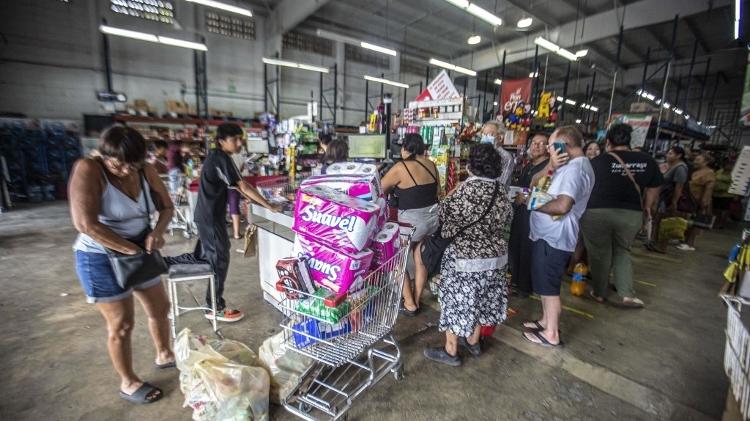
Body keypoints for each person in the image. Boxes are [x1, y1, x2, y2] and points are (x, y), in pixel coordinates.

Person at [69, 125, 175, 404]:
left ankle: (164, 353)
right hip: (100, 257)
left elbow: (167, 208)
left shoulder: (145, 170)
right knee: (122, 323)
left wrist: (157, 232)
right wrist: (129, 248)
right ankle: (128, 382)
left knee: (160, 308)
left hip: (140, 248)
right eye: (118, 165)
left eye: (133, 165)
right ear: (104, 156)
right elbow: (85, 224)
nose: (126, 171)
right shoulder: (89, 169)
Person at [165, 123, 281, 322]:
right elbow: (242, 185)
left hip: (208, 216)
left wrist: (245, 195)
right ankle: (214, 307)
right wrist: (269, 205)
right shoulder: (220, 157)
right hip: (210, 218)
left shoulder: (218, 157)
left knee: (205, 256)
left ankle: (163, 263)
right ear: (222, 141)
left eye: (240, 138)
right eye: (235, 139)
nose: (239, 142)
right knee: (219, 259)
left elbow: (234, 186)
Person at [423, 143, 512, 366]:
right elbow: (507, 219)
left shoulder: (467, 190)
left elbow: (441, 217)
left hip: (465, 259)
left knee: (455, 302)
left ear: (472, 165)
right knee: (482, 300)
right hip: (495, 258)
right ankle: (473, 341)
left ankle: (451, 350)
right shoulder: (501, 190)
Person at [523, 126, 594, 347]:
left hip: (555, 236)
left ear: (564, 145)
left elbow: (563, 206)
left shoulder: (576, 170)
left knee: (550, 286)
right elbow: (536, 182)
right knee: (545, 282)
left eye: (552, 146)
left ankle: (551, 333)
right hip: (547, 235)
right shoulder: (569, 165)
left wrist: (532, 205)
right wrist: (551, 166)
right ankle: (545, 321)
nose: (548, 150)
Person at [580, 124, 663, 307]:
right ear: (629, 141)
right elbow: (656, 184)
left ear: (608, 142)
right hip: (631, 213)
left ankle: (599, 292)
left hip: (596, 212)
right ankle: (627, 294)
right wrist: (648, 206)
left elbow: (583, 187)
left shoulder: (597, 161)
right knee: (622, 251)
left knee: (600, 253)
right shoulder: (646, 161)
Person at [381, 133, 439, 315]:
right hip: (431, 220)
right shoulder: (431, 165)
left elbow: (380, 188)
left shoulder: (400, 167)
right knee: (419, 258)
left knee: (397, 260)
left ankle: (409, 304)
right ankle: (417, 298)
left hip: (412, 223)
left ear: (405, 149)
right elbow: (438, 191)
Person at [508, 132, 549, 297]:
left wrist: (525, 200)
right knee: (515, 246)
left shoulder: (547, 168)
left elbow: (543, 196)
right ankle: (517, 282)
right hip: (521, 212)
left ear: (548, 148)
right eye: (534, 143)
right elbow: (524, 189)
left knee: (527, 250)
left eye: (541, 143)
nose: (536, 146)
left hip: (534, 215)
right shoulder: (529, 166)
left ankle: (525, 287)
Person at [647, 145, 689, 253]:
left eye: (671, 153)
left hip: (668, 199)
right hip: (662, 197)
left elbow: (679, 187)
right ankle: (654, 242)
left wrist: (674, 202)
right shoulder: (670, 166)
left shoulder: (680, 168)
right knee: (658, 220)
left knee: (665, 223)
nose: (667, 155)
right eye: (668, 153)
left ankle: (662, 246)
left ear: (679, 155)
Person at [678, 153, 716, 251]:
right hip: (690, 199)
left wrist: (704, 202)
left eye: (698, 160)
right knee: (689, 222)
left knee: (696, 223)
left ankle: (690, 243)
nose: (695, 161)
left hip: (699, 201)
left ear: (706, 162)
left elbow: (709, 188)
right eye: (695, 159)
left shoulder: (709, 173)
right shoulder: (697, 171)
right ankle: (684, 240)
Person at [479, 120, 515, 187]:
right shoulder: (480, 154)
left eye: (490, 134)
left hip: (496, 195)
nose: (485, 137)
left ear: (500, 138)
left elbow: (501, 183)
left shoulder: (506, 157)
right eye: (483, 134)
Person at [228, 146, 247, 240]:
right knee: (234, 208)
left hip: (223, 185)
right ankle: (236, 234)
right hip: (234, 183)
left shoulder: (225, 154)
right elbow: (242, 168)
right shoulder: (241, 152)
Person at [713, 159, 736, 229]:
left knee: (724, 209)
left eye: (730, 165)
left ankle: (721, 223)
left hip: (727, 195)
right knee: (716, 209)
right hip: (716, 193)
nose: (728, 166)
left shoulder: (734, 174)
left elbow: (735, 183)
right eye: (727, 164)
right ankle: (716, 222)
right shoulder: (719, 171)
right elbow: (714, 178)